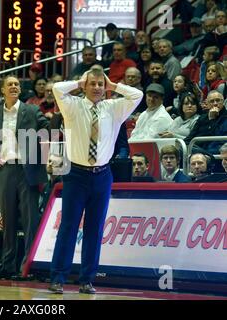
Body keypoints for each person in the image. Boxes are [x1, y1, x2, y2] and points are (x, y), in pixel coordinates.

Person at [49, 68, 143, 294]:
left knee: (95, 228)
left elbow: (137, 95)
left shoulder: (114, 108)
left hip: (102, 174)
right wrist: (79, 82)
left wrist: (114, 86)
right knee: (69, 227)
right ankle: (58, 278)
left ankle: (87, 280)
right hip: (76, 175)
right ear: (85, 85)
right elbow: (56, 88)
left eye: (101, 84)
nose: (97, 87)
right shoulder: (72, 105)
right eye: (93, 83)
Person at [0, 75, 49, 280]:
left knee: (30, 220)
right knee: (7, 220)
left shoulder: (31, 110)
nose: (14, 87)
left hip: (26, 169)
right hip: (4, 171)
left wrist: (37, 150)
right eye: (9, 84)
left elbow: (46, 129)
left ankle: (27, 267)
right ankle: (8, 265)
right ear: (2, 90)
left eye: (17, 85)